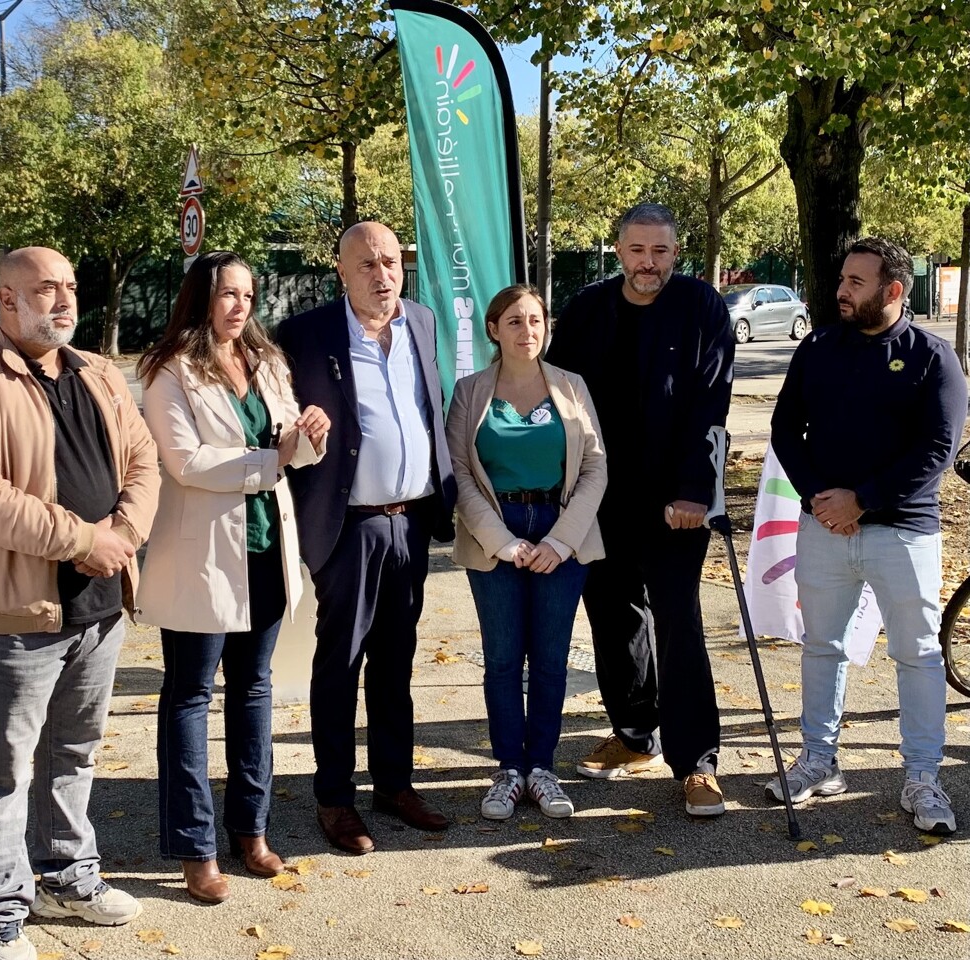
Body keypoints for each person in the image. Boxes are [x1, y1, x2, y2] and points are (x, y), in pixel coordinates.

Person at [0, 246, 160, 959]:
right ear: (5, 298)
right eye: (43, 288)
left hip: (99, 605)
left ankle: (68, 874)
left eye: (69, 286)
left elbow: (143, 463)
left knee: (76, 752)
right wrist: (84, 539)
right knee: (2, 769)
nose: (61, 299)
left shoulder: (99, 373)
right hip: (14, 614)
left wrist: (122, 535)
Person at [137, 251, 330, 903]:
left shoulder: (267, 361)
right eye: (227, 293)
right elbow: (187, 462)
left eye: (248, 293)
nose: (241, 304)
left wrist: (311, 435)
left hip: (267, 551)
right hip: (201, 560)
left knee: (253, 689)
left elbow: (290, 453)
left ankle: (251, 830)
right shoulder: (169, 372)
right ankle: (195, 848)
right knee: (190, 697)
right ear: (200, 298)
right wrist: (268, 457)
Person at [769, 237, 968, 835]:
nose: (841, 291)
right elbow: (784, 428)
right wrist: (819, 499)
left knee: (917, 654)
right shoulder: (819, 346)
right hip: (824, 528)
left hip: (904, 533)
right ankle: (820, 762)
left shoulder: (934, 358)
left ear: (894, 290)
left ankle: (923, 778)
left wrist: (864, 499)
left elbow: (937, 450)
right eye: (842, 279)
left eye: (856, 282)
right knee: (821, 646)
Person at [275, 221, 458, 855]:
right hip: (347, 525)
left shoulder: (423, 322)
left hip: (410, 520)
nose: (382, 275)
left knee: (396, 662)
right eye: (367, 265)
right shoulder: (305, 335)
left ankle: (394, 784)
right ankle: (334, 797)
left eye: (390, 262)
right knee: (339, 664)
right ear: (342, 271)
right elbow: (278, 422)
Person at [546, 203, 734, 817]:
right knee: (612, 613)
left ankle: (697, 761)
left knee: (679, 622)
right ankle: (633, 734)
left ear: (675, 254)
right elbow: (559, 397)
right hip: (598, 496)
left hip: (675, 499)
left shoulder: (701, 307)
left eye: (659, 252)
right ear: (619, 249)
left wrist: (694, 492)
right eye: (636, 251)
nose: (647, 263)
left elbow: (711, 404)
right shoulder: (587, 309)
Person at [446, 284, 607, 821]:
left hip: (562, 533)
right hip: (497, 535)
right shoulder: (470, 392)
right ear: (493, 330)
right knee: (502, 658)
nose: (527, 330)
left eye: (535, 320)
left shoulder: (572, 387)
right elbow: (461, 473)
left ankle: (542, 768)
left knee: (551, 660)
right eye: (514, 321)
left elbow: (594, 468)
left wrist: (561, 541)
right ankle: (508, 771)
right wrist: (503, 541)